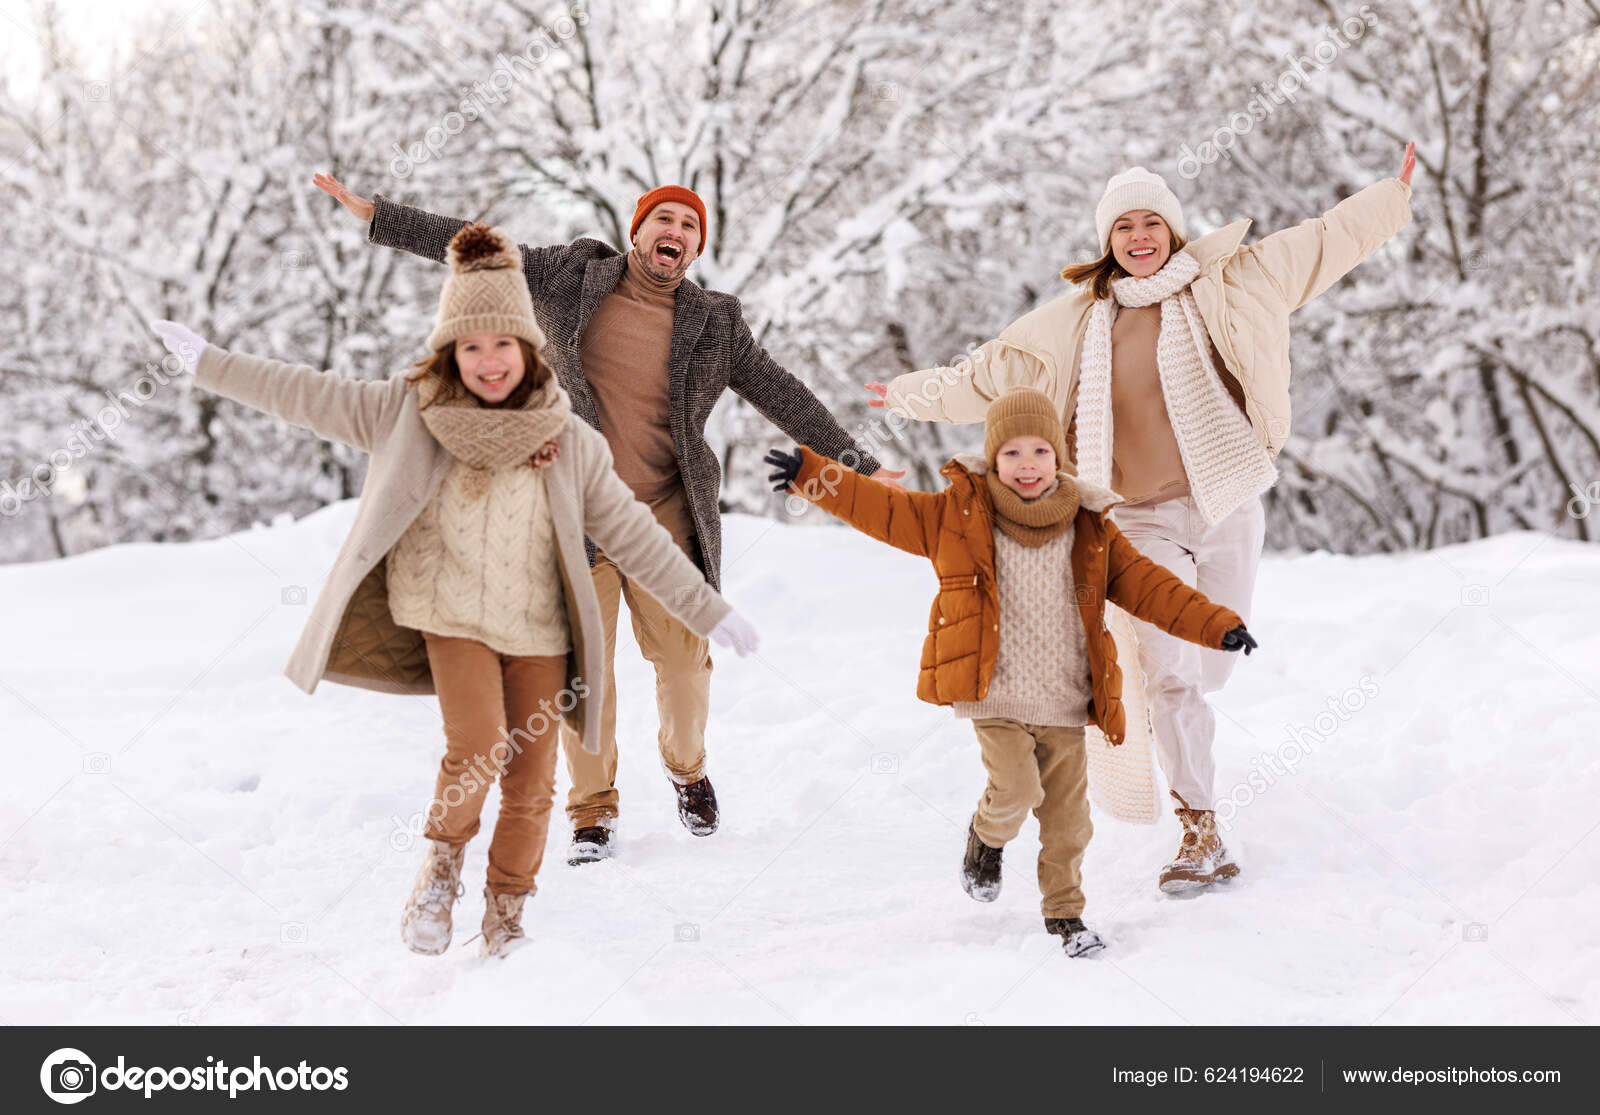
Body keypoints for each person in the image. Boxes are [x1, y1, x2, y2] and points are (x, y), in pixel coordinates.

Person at [151, 223, 758, 958]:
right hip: (452, 615)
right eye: (472, 347)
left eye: (504, 344)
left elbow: (633, 534)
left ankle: (505, 916)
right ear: (451, 351)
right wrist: (209, 363)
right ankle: (440, 868)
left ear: (528, 351)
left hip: (539, 625)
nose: (489, 361)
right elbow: (303, 393)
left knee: (533, 780)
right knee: (476, 748)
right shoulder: (405, 411)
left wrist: (706, 607)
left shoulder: (567, 438)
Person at [867, 144, 1414, 891]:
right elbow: (982, 376)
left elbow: (1324, 239)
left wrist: (1391, 195)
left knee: (1210, 669)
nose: (1138, 235)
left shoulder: (1234, 284)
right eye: (1123, 226)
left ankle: (1183, 725)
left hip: (1225, 502)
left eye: (1151, 220)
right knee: (1170, 675)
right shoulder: (1070, 326)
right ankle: (1201, 830)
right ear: (1107, 243)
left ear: (1174, 229)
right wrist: (903, 395)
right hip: (1138, 522)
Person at [314, 173, 904, 861]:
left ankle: (687, 770)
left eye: (689, 227)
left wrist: (857, 463)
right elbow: (475, 247)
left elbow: (782, 393)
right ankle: (593, 810)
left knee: (685, 666)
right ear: (638, 229)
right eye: (666, 220)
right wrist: (380, 216)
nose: (675, 234)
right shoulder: (569, 276)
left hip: (665, 515)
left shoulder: (715, 322)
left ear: (696, 248)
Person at [764, 388, 1256, 955]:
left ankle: (1066, 918)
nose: (1027, 465)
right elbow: (884, 510)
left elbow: (1151, 587)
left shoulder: (1091, 527)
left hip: (1065, 702)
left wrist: (1216, 624)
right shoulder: (956, 515)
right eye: (1012, 453)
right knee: (1016, 789)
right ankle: (985, 838)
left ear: (1059, 457)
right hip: (994, 695)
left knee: (1070, 823)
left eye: (1040, 451)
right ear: (993, 459)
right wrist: (813, 474)